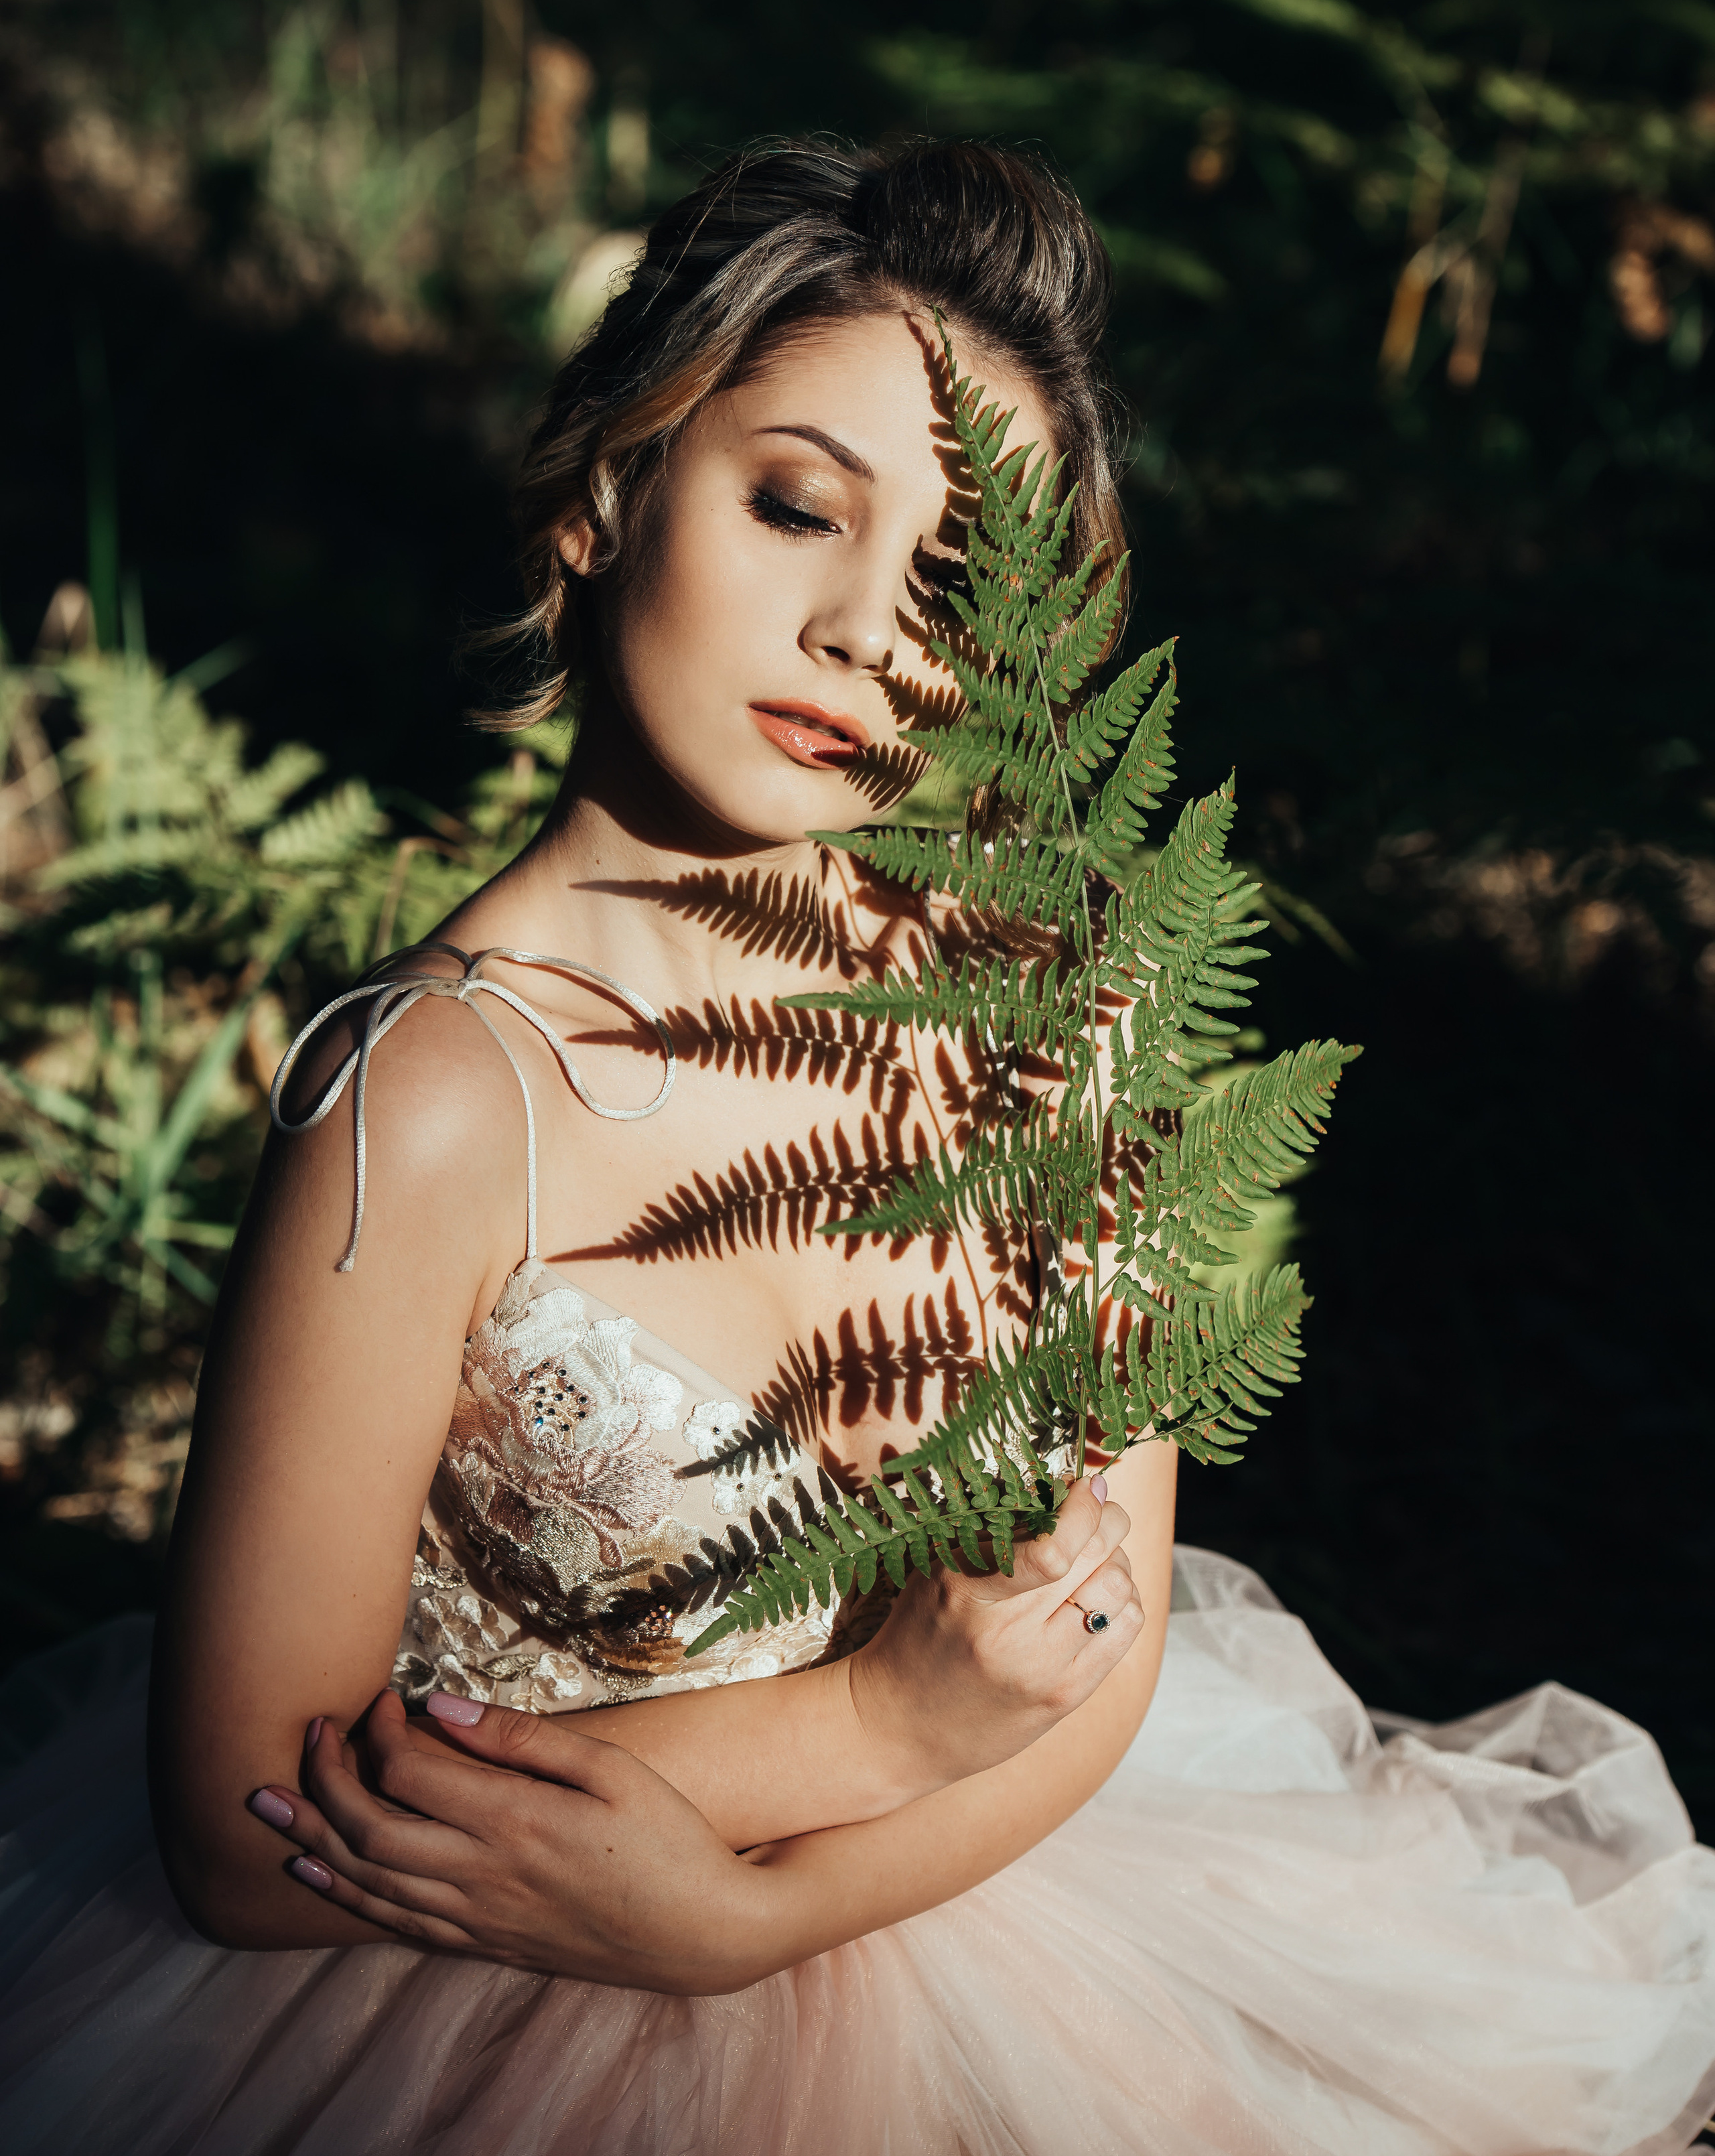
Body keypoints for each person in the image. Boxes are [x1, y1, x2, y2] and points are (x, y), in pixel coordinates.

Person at [1, 141, 1711, 2154]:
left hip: (998, 1936)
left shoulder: (1049, 1025)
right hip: (444, 2001)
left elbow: (1103, 1633)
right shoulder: (436, 1094)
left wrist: (750, 1915)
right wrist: (872, 1721)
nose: (862, 630)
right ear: (601, 490)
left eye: (958, 590)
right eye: (798, 502)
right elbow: (241, 1829)